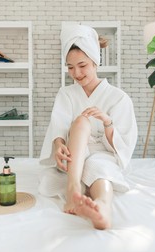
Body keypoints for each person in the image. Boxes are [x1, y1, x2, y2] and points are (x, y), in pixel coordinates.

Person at [39, 24, 138, 230]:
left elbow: (124, 143)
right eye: (70, 67)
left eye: (82, 65)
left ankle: (101, 208)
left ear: (95, 62)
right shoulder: (66, 94)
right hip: (73, 154)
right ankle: (73, 189)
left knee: (100, 171)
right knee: (82, 121)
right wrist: (58, 145)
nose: (76, 73)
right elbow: (58, 126)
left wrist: (107, 121)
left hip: (103, 154)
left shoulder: (118, 97)